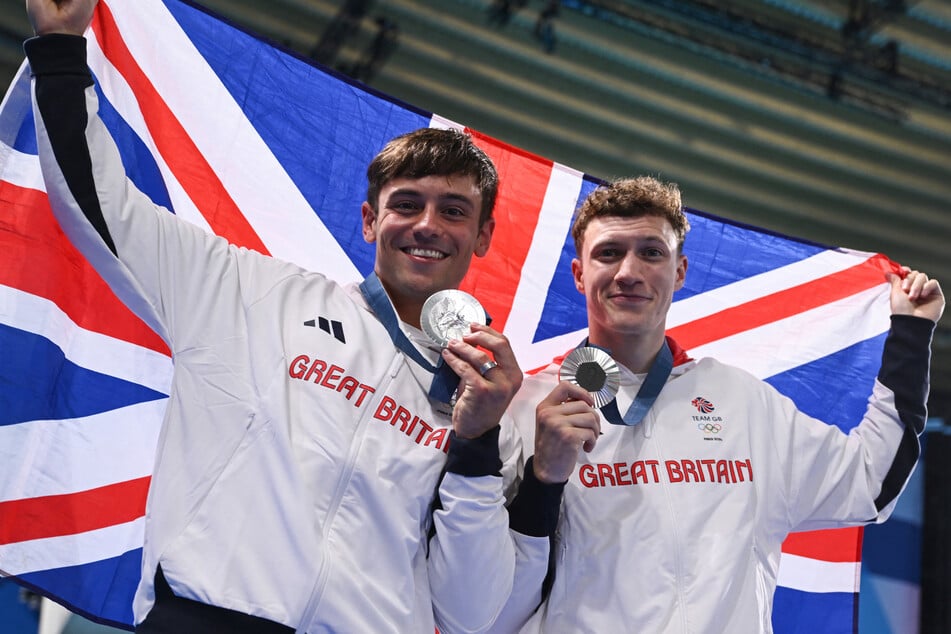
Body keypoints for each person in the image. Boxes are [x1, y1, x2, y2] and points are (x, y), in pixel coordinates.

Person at [23, 0, 552, 631]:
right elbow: (104, 207)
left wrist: (475, 445)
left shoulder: (489, 405)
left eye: (454, 211)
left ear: (484, 235)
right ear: (368, 221)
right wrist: (60, 51)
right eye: (406, 203)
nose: (427, 226)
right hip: (207, 617)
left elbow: (468, 613)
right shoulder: (249, 292)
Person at [492, 176, 945, 632]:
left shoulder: (742, 402)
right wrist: (541, 481)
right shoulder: (528, 407)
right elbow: (485, 603)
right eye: (609, 253)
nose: (629, 271)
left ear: (681, 271)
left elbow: (871, 481)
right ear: (578, 274)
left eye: (651, 252)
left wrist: (910, 334)